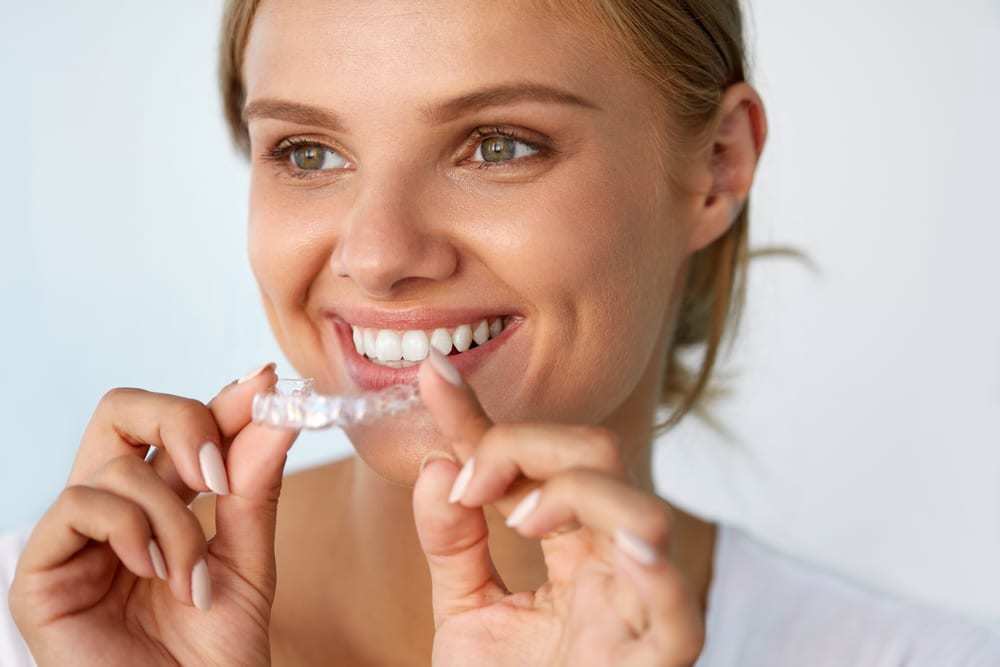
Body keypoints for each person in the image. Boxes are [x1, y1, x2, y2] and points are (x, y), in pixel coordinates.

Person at [3, 1, 1000, 665]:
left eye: (498, 144)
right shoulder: (50, 625)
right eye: (308, 151)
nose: (380, 252)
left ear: (717, 166)